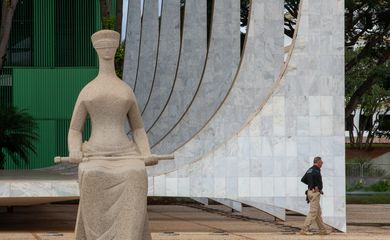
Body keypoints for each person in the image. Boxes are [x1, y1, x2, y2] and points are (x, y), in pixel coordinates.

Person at [68, 30, 152, 240]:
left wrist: (146, 152)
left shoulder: (125, 90)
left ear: (115, 50)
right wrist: (74, 150)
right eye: (102, 46)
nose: (106, 49)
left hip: (126, 154)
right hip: (95, 154)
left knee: (136, 173)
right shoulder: (88, 90)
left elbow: (138, 128)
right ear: (97, 49)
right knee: (93, 174)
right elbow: (75, 130)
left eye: (110, 46)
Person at [299, 156, 331, 235]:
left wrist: (311, 186)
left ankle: (323, 230)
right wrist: (314, 187)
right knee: (313, 212)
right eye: (321, 162)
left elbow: (303, 179)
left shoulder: (310, 169)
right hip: (314, 194)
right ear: (318, 162)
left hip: (310, 192)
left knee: (318, 213)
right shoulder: (316, 170)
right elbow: (318, 182)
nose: (322, 163)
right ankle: (304, 229)